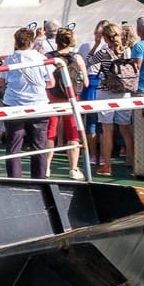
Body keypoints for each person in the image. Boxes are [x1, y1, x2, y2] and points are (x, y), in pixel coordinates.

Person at [0, 27, 54, 178]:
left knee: (14, 144)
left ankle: (14, 179)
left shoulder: (9, 60)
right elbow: (51, 83)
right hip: (38, 105)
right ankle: (40, 179)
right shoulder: (42, 59)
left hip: (14, 105)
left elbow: (1, 82)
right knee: (39, 145)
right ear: (31, 41)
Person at [92, 29, 139, 176]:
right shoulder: (127, 51)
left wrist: (96, 44)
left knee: (107, 130)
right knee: (125, 129)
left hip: (106, 92)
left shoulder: (104, 52)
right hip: (124, 92)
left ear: (105, 37)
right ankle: (133, 164)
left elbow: (89, 61)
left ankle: (107, 166)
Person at [49, 28, 90, 179]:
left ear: (56, 41)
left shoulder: (49, 58)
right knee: (73, 132)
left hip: (52, 99)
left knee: (50, 131)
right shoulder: (77, 58)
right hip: (72, 99)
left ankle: (46, 167)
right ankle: (73, 168)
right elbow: (85, 83)